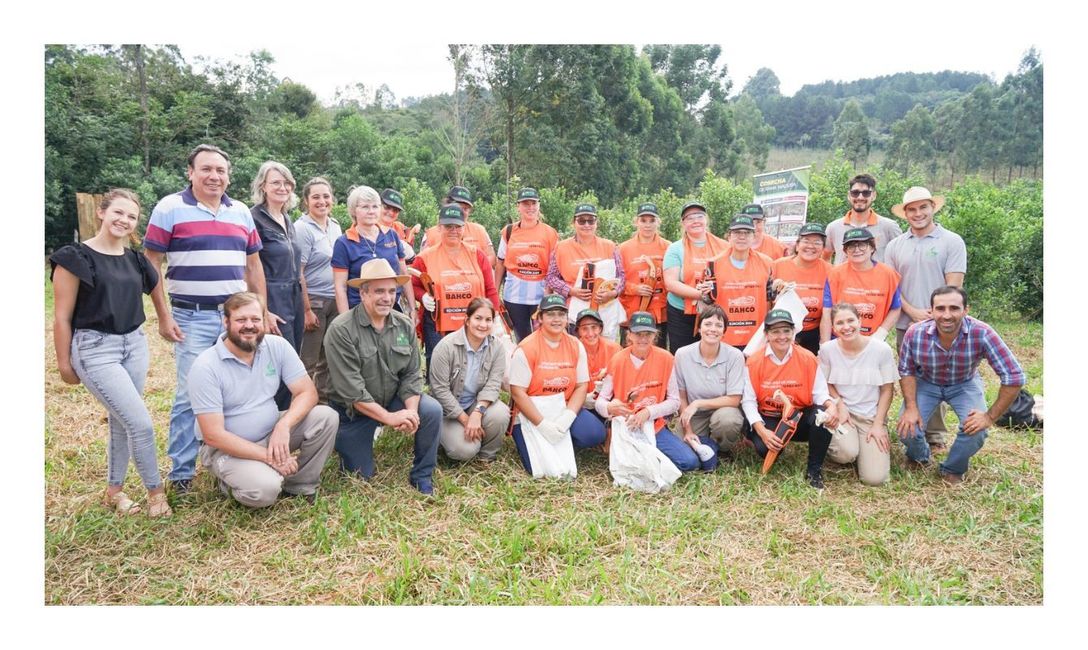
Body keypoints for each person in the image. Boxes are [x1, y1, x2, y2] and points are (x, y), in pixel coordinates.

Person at [143, 143, 267, 494]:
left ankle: (225, 458)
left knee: (238, 388)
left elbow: (253, 266)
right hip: (192, 317)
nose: (214, 176)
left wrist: (260, 310)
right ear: (191, 172)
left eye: (221, 170)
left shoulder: (241, 212)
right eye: (206, 169)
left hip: (235, 318)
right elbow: (152, 263)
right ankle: (181, 473)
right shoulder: (169, 208)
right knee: (190, 395)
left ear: (229, 176)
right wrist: (163, 316)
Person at [51, 189, 171, 517]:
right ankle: (155, 493)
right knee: (141, 423)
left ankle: (113, 492)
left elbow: (155, 281)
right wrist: (64, 362)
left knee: (122, 421)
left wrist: (165, 317)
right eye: (118, 213)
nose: (124, 220)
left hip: (134, 344)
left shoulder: (135, 260)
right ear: (102, 212)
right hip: (95, 349)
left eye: (131, 217)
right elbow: (61, 315)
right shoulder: (75, 258)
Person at [189, 292, 338, 508]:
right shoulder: (206, 366)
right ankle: (229, 483)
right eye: (241, 320)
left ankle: (299, 485)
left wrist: (283, 426)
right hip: (226, 448)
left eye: (255, 319)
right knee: (264, 491)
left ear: (264, 320)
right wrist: (271, 458)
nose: (249, 326)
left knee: (326, 417)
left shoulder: (277, 346)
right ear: (226, 322)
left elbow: (308, 392)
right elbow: (213, 435)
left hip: (271, 432)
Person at [324, 258, 443, 495]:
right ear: (363, 293)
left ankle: (422, 475)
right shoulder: (341, 329)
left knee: (431, 411)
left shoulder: (403, 325)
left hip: (391, 398)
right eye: (379, 291)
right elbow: (352, 391)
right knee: (359, 477)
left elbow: (411, 374)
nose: (387, 298)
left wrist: (409, 412)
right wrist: (389, 418)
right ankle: (352, 444)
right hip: (354, 411)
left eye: (392, 291)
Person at [896, 287, 1025, 485]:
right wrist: (911, 408)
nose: (947, 315)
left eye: (954, 308)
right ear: (931, 311)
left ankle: (953, 467)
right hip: (927, 381)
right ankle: (919, 457)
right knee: (907, 427)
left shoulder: (982, 332)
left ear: (966, 310)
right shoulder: (915, 333)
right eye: (940, 308)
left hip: (964, 382)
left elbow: (1014, 376)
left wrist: (989, 417)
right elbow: (906, 370)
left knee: (977, 429)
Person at [884, 186, 967, 453]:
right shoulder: (896, 246)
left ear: (932, 208)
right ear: (905, 213)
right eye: (912, 209)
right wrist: (912, 311)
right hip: (906, 324)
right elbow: (893, 287)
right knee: (909, 376)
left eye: (923, 207)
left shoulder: (951, 241)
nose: (918, 213)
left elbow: (954, 287)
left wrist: (933, 315)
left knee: (938, 375)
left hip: (942, 322)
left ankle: (936, 435)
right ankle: (913, 428)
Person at [596, 312, 718, 472]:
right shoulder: (617, 360)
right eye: (638, 334)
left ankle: (699, 444)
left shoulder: (666, 359)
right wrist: (609, 408)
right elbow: (600, 401)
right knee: (631, 468)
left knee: (689, 463)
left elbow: (674, 401)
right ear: (629, 335)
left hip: (653, 424)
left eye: (648, 334)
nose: (643, 339)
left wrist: (648, 412)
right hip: (626, 426)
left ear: (655, 335)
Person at [508, 295, 607, 475]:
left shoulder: (575, 345)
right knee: (540, 469)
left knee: (594, 434)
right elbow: (517, 393)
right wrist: (542, 424)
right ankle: (546, 437)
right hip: (531, 411)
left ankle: (563, 436)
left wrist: (567, 417)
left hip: (563, 406)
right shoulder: (527, 348)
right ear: (540, 318)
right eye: (550, 314)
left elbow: (581, 386)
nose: (556, 319)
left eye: (561, 314)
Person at [743, 309, 839, 489]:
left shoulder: (807, 358)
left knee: (823, 416)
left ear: (793, 332)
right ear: (766, 334)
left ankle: (814, 470)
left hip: (799, 416)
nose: (782, 336)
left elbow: (819, 393)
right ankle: (758, 437)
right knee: (765, 450)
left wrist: (830, 405)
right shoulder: (754, 361)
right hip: (770, 416)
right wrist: (762, 431)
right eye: (775, 331)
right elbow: (748, 401)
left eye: (786, 331)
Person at [411, 205, 500, 369]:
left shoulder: (477, 255)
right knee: (440, 369)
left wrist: (493, 319)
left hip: (474, 324)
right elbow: (413, 284)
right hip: (438, 325)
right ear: (439, 227)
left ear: (464, 227)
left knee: (472, 368)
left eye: (457, 226)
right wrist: (422, 296)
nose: (453, 230)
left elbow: (491, 289)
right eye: (448, 226)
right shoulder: (425, 258)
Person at [818, 303, 897, 486]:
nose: (846, 327)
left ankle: (867, 450)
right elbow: (825, 383)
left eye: (850, 320)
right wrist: (839, 404)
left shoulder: (881, 350)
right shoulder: (828, 350)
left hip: (870, 416)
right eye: (839, 323)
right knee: (846, 453)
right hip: (843, 414)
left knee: (874, 479)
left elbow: (887, 390)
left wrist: (878, 424)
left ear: (860, 321)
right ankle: (848, 447)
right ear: (833, 327)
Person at [427, 298, 511, 463]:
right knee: (465, 450)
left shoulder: (497, 348)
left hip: (474, 404)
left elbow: (493, 385)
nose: (483, 324)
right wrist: (466, 420)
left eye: (488, 320)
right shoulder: (446, 347)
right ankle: (442, 439)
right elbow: (440, 390)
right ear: (467, 320)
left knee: (500, 413)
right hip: (446, 411)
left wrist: (477, 414)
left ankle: (486, 456)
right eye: (478, 318)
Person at [671, 304, 747, 459]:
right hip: (694, 414)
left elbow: (734, 399)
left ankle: (723, 449)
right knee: (682, 450)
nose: (713, 329)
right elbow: (682, 395)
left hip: (723, 410)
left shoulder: (735, 355)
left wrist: (698, 403)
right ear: (699, 328)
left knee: (728, 421)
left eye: (719, 325)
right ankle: (704, 440)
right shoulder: (682, 354)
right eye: (707, 324)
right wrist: (688, 430)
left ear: (724, 332)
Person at [295, 177, 343, 403]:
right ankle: (302, 404)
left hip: (335, 298)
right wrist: (306, 309)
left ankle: (322, 403)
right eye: (315, 197)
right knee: (308, 359)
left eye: (326, 196)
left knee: (329, 357)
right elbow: (299, 271)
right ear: (306, 201)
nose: (322, 201)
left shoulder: (335, 226)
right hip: (314, 301)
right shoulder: (302, 228)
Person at [545, 203, 625, 336]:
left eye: (591, 220)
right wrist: (570, 291)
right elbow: (551, 278)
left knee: (604, 351)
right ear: (573, 223)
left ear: (596, 223)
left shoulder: (610, 246)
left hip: (604, 309)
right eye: (582, 221)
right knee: (577, 351)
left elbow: (621, 275)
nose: (586, 225)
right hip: (574, 310)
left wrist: (613, 293)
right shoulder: (561, 248)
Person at [331, 185, 412, 316]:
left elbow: (404, 273)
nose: (371, 211)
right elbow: (340, 287)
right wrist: (345, 321)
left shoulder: (391, 235)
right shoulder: (344, 243)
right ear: (353, 210)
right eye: (365, 207)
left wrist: (412, 308)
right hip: (359, 310)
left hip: (391, 308)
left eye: (375, 206)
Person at [250, 161, 304, 353]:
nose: (282, 188)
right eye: (275, 183)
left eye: (286, 183)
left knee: (295, 354)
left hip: (294, 296)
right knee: (280, 355)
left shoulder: (287, 218)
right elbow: (249, 269)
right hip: (272, 297)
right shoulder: (253, 219)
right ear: (263, 186)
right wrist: (263, 311)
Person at [662, 201, 729, 354]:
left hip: (715, 312)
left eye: (699, 216)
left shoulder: (724, 246)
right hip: (682, 312)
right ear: (683, 223)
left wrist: (711, 295)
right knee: (682, 355)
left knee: (714, 353)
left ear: (706, 219)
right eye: (690, 218)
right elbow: (671, 283)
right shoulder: (675, 248)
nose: (695, 221)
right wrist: (701, 295)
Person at [494, 187, 559, 342]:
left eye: (533, 203)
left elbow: (554, 268)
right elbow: (500, 262)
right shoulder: (509, 231)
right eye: (525, 204)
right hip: (514, 297)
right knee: (522, 340)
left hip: (541, 295)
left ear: (538, 205)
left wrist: (548, 294)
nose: (530, 207)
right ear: (518, 207)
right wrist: (495, 292)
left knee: (543, 339)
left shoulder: (550, 233)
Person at [820, 227, 902, 344]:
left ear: (872, 247)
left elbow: (896, 308)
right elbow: (827, 312)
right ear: (845, 251)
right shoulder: (835, 274)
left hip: (873, 339)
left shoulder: (888, 274)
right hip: (840, 339)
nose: (856, 250)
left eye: (862, 245)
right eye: (851, 246)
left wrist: (880, 334)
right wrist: (824, 344)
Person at [714, 215, 774, 351]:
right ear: (728, 237)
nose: (742, 237)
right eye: (737, 233)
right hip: (724, 336)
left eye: (747, 233)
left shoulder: (767, 263)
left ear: (753, 236)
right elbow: (707, 302)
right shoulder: (713, 264)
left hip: (756, 336)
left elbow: (771, 299)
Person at [771, 222, 832, 355]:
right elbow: (766, 297)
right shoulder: (777, 266)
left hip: (814, 331)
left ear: (823, 249)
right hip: (781, 330)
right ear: (797, 245)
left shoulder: (830, 271)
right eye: (806, 241)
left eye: (817, 242)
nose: (811, 246)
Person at [617, 202, 670, 347]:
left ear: (658, 222)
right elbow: (616, 282)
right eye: (643, 220)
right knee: (630, 356)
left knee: (657, 356)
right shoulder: (623, 249)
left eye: (652, 220)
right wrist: (635, 289)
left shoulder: (668, 247)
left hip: (659, 314)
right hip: (632, 312)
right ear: (636, 222)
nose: (648, 225)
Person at [824, 173, 902, 264]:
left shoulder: (889, 227)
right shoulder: (833, 227)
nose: (860, 197)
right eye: (855, 193)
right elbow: (825, 256)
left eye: (866, 193)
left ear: (873, 195)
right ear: (849, 195)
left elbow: (900, 259)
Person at [422, 186, 496, 268]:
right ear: (447, 206)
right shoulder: (431, 233)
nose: (461, 212)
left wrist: (472, 269)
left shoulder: (480, 230)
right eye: (459, 207)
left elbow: (492, 257)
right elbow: (422, 262)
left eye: (465, 209)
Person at [574, 308, 621, 415]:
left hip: (609, 403)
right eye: (584, 328)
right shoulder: (572, 350)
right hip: (582, 404)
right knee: (592, 431)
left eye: (594, 327)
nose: (590, 333)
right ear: (578, 331)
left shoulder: (614, 349)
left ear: (600, 328)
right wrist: (582, 400)